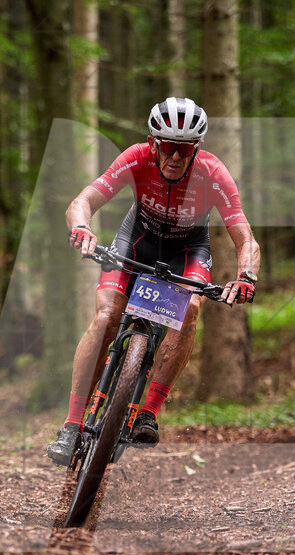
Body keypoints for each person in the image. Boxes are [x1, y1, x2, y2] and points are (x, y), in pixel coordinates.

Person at [47, 97, 260, 466]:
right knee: (105, 319)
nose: (175, 158)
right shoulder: (135, 157)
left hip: (188, 250)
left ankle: (148, 412)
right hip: (136, 242)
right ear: (152, 143)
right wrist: (81, 228)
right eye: (167, 148)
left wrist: (247, 276)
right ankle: (71, 425)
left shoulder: (213, 173)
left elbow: (246, 238)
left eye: (184, 149)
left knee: (191, 306)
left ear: (198, 148)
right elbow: (83, 201)